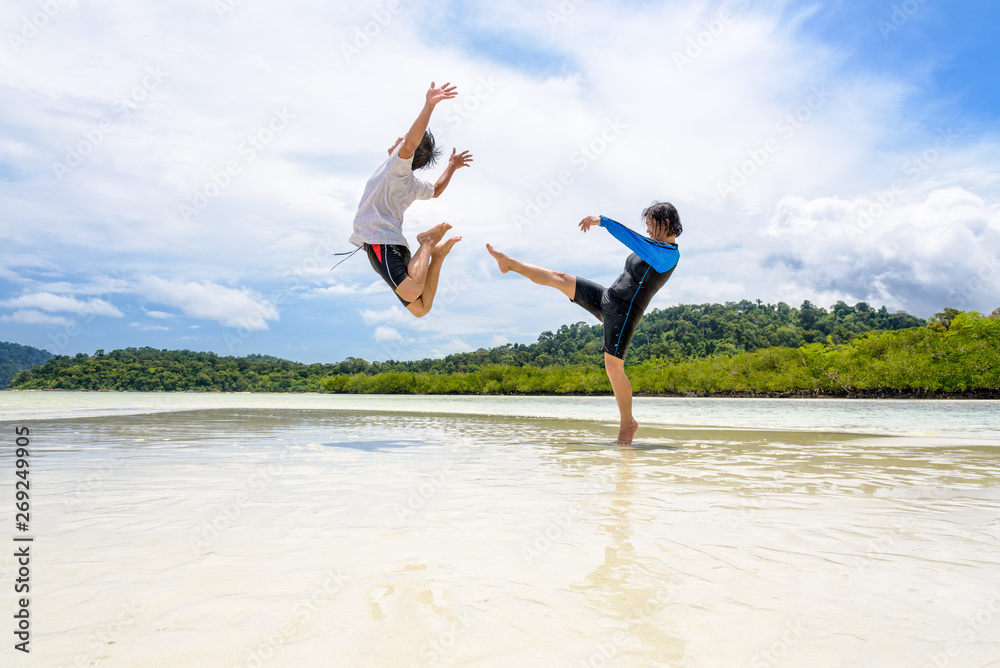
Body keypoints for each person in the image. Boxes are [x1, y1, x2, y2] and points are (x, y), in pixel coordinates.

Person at [487, 202, 682, 445]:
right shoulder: (651, 245)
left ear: (665, 223)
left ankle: (627, 425)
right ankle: (511, 264)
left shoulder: (668, 255)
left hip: (624, 313)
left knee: (613, 368)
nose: (648, 230)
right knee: (561, 278)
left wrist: (604, 221)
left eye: (651, 225)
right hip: (607, 298)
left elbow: (632, 240)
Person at [348, 81, 473, 317]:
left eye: (404, 139)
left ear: (406, 151)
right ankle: (436, 255)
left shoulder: (397, 166)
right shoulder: (411, 183)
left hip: (380, 241)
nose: (400, 139)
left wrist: (429, 105)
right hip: (395, 244)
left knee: (412, 292)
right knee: (421, 308)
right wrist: (452, 167)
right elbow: (436, 190)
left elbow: (412, 143)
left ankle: (427, 241)